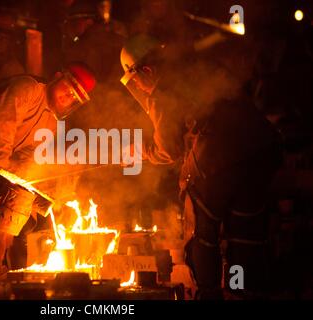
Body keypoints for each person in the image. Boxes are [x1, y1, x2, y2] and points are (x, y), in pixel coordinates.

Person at [119, 34, 283, 299]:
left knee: (201, 232)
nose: (138, 86)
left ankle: (208, 294)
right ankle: (242, 292)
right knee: (245, 232)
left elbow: (168, 150)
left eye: (135, 79)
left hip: (218, 156)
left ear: (146, 69)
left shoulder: (162, 90)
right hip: (260, 150)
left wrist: (139, 152)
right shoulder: (194, 66)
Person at [0, 62, 96, 274]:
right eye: (67, 89)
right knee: (12, 201)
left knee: (24, 201)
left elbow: (29, 156)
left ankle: (0, 269)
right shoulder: (29, 88)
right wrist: (4, 169)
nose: (67, 97)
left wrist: (50, 195)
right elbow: (3, 122)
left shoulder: (51, 122)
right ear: (57, 75)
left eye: (74, 98)